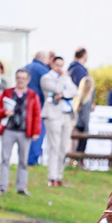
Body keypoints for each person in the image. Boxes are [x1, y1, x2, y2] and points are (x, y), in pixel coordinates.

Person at [0, 68, 42, 196]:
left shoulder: (33, 95)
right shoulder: (7, 93)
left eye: (23, 78)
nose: (20, 80)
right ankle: (3, 187)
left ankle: (21, 187)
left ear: (28, 80)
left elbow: (37, 114)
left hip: (24, 132)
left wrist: (36, 131)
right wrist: (5, 112)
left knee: (23, 161)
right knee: (5, 159)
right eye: (18, 77)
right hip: (9, 130)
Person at [41, 55, 78, 187]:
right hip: (53, 115)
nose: (60, 68)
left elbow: (74, 91)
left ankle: (59, 176)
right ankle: (52, 177)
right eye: (57, 65)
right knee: (54, 146)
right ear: (52, 65)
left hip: (66, 115)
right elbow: (56, 89)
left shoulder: (65, 78)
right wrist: (63, 83)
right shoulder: (46, 78)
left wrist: (64, 94)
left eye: (62, 66)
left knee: (63, 147)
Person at [22, 51, 51, 166]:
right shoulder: (43, 70)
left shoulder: (25, 68)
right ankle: (32, 160)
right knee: (37, 132)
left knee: (26, 132)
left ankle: (23, 158)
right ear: (43, 58)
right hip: (38, 106)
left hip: (24, 105)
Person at [72, 75, 95, 155]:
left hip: (76, 124)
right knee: (81, 146)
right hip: (82, 125)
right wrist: (87, 128)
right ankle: (78, 162)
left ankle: (73, 162)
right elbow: (85, 115)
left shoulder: (78, 98)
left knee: (74, 146)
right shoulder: (87, 100)